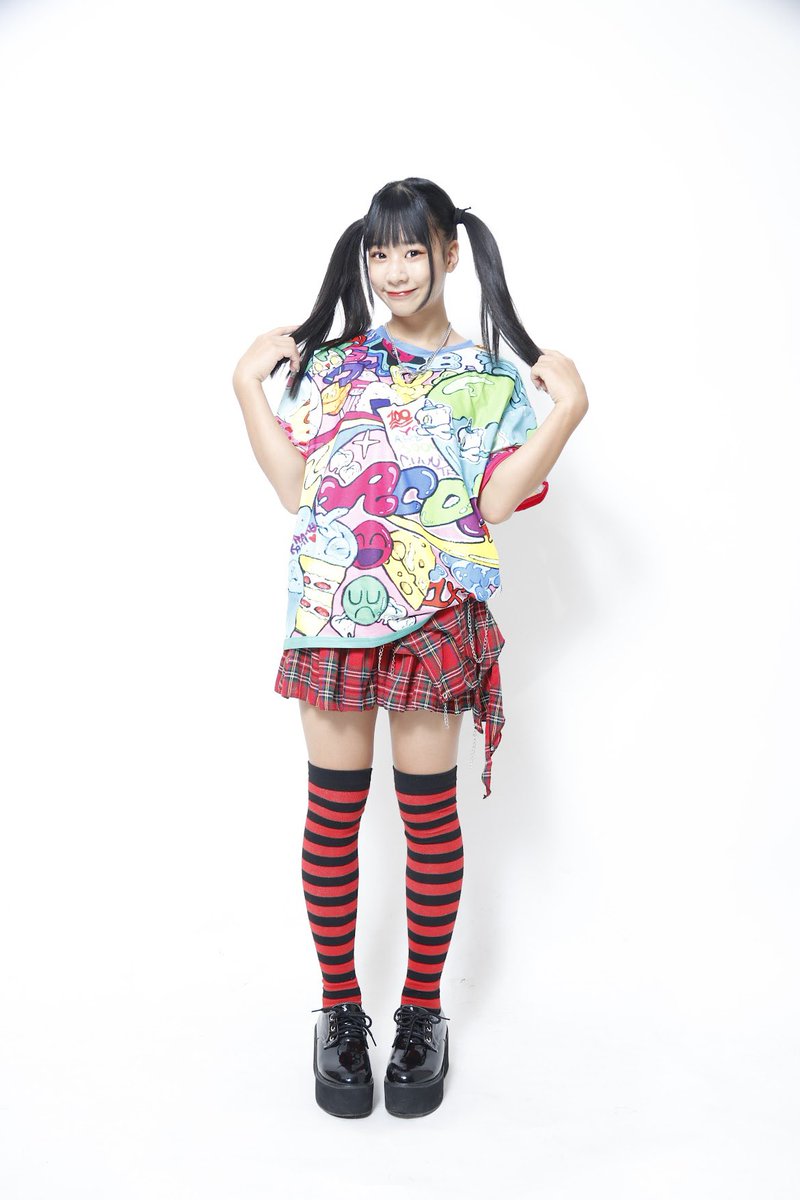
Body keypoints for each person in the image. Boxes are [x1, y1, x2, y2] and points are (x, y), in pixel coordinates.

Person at [232, 177, 588, 1120]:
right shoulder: (334, 365)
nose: (393, 270)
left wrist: (566, 411)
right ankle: (340, 1013)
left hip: (433, 619)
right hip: (334, 615)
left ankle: (422, 1011)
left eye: (412, 250)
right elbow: (295, 488)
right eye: (379, 252)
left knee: (428, 821)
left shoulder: (490, 378)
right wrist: (243, 387)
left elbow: (497, 500)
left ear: (449, 253)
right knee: (333, 817)